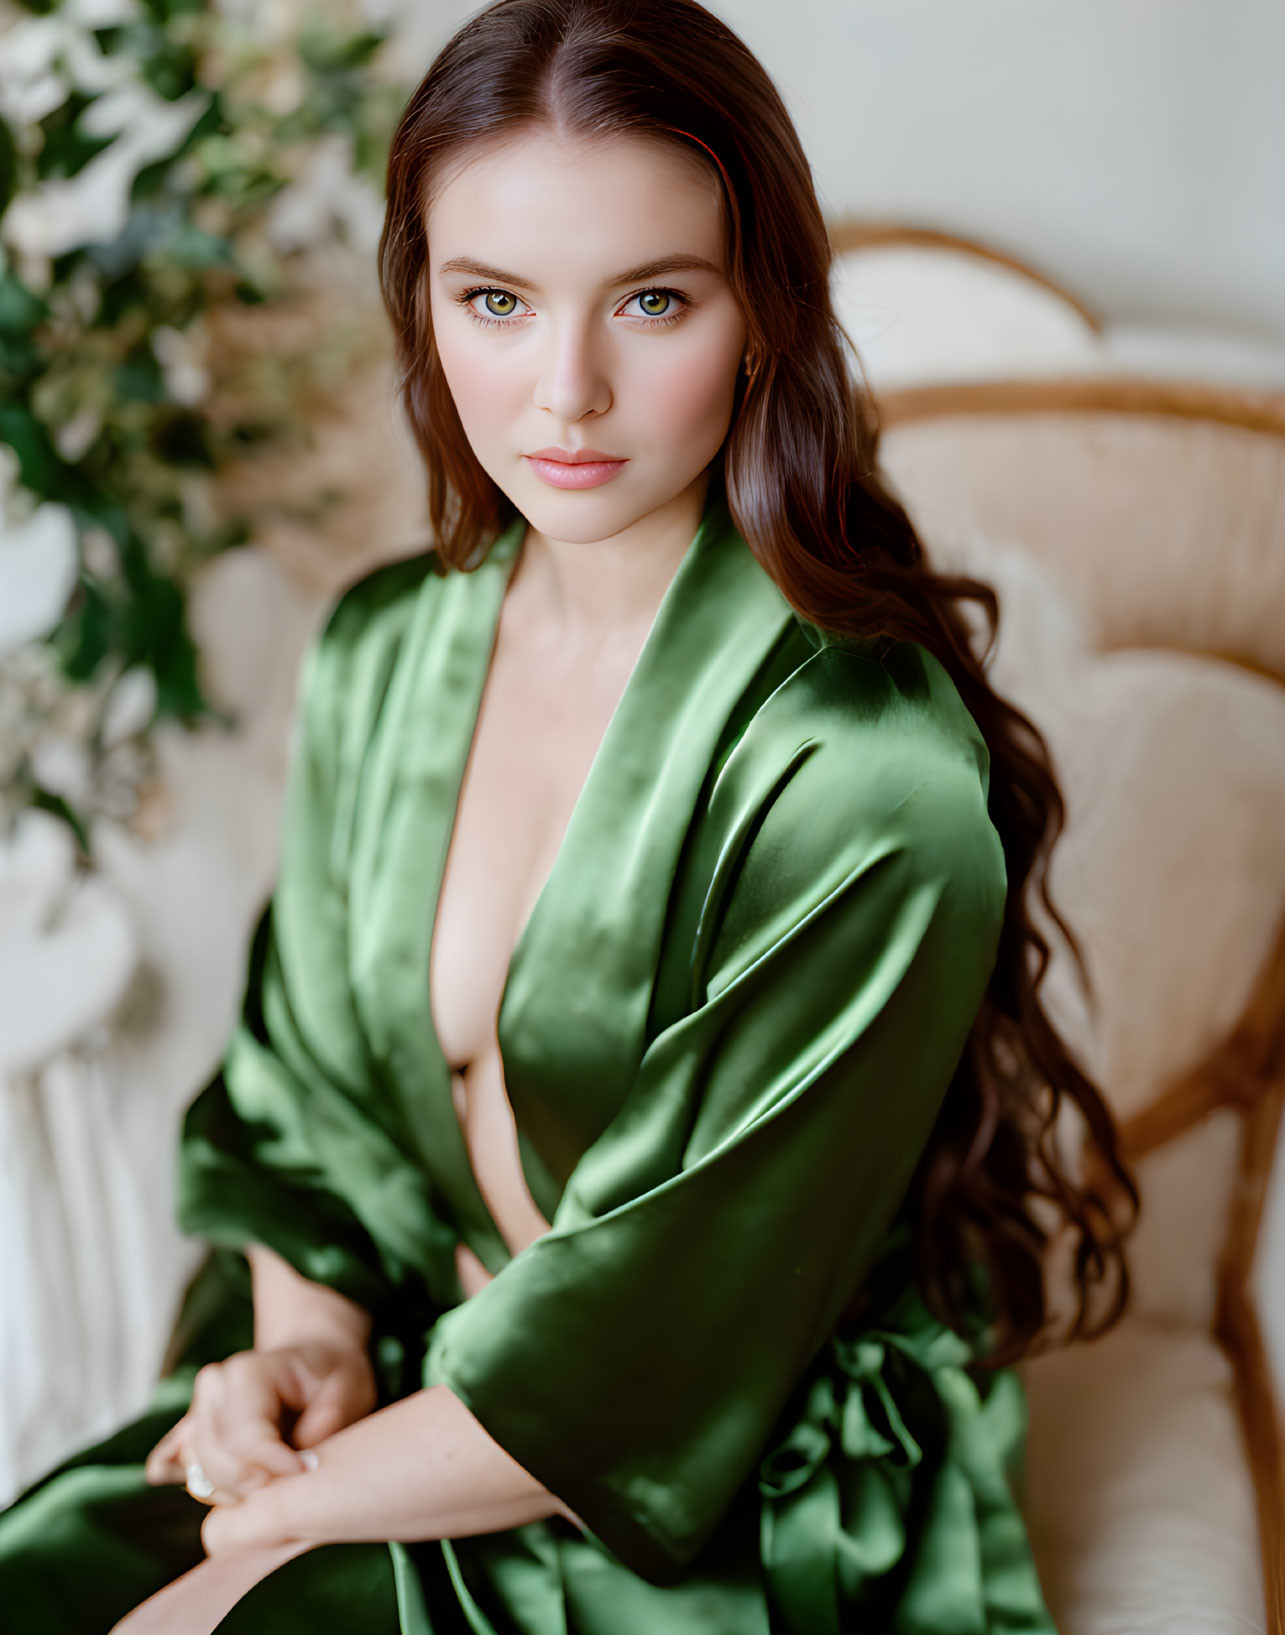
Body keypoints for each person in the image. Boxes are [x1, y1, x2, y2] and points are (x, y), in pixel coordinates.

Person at [0, 1, 1139, 1629]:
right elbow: (306, 1121)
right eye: (496, 301)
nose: (567, 392)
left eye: (652, 300)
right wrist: (298, 1352)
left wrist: (277, 1525)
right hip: (411, 1400)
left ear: (762, 316)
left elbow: (651, 1358)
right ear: (424, 305)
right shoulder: (385, 652)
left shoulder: (862, 771)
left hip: (702, 1492)